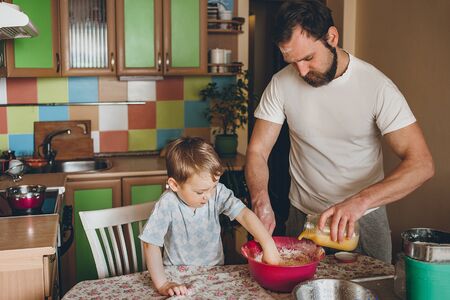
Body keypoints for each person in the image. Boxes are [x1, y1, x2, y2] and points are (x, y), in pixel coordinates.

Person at [245, 0, 434, 263]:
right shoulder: (280, 83)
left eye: (308, 58)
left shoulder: (377, 87)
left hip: (363, 220)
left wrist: (360, 201)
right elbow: (257, 151)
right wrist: (260, 199)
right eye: (292, 61)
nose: (300, 71)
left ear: (332, 37)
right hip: (304, 220)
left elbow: (422, 164)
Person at [139, 137, 280, 297]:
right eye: (200, 192)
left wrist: (268, 243)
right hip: (177, 276)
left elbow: (244, 214)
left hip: (214, 273)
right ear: (174, 185)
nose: (208, 196)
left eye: (212, 187)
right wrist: (163, 284)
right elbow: (150, 242)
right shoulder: (168, 203)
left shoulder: (217, 192)